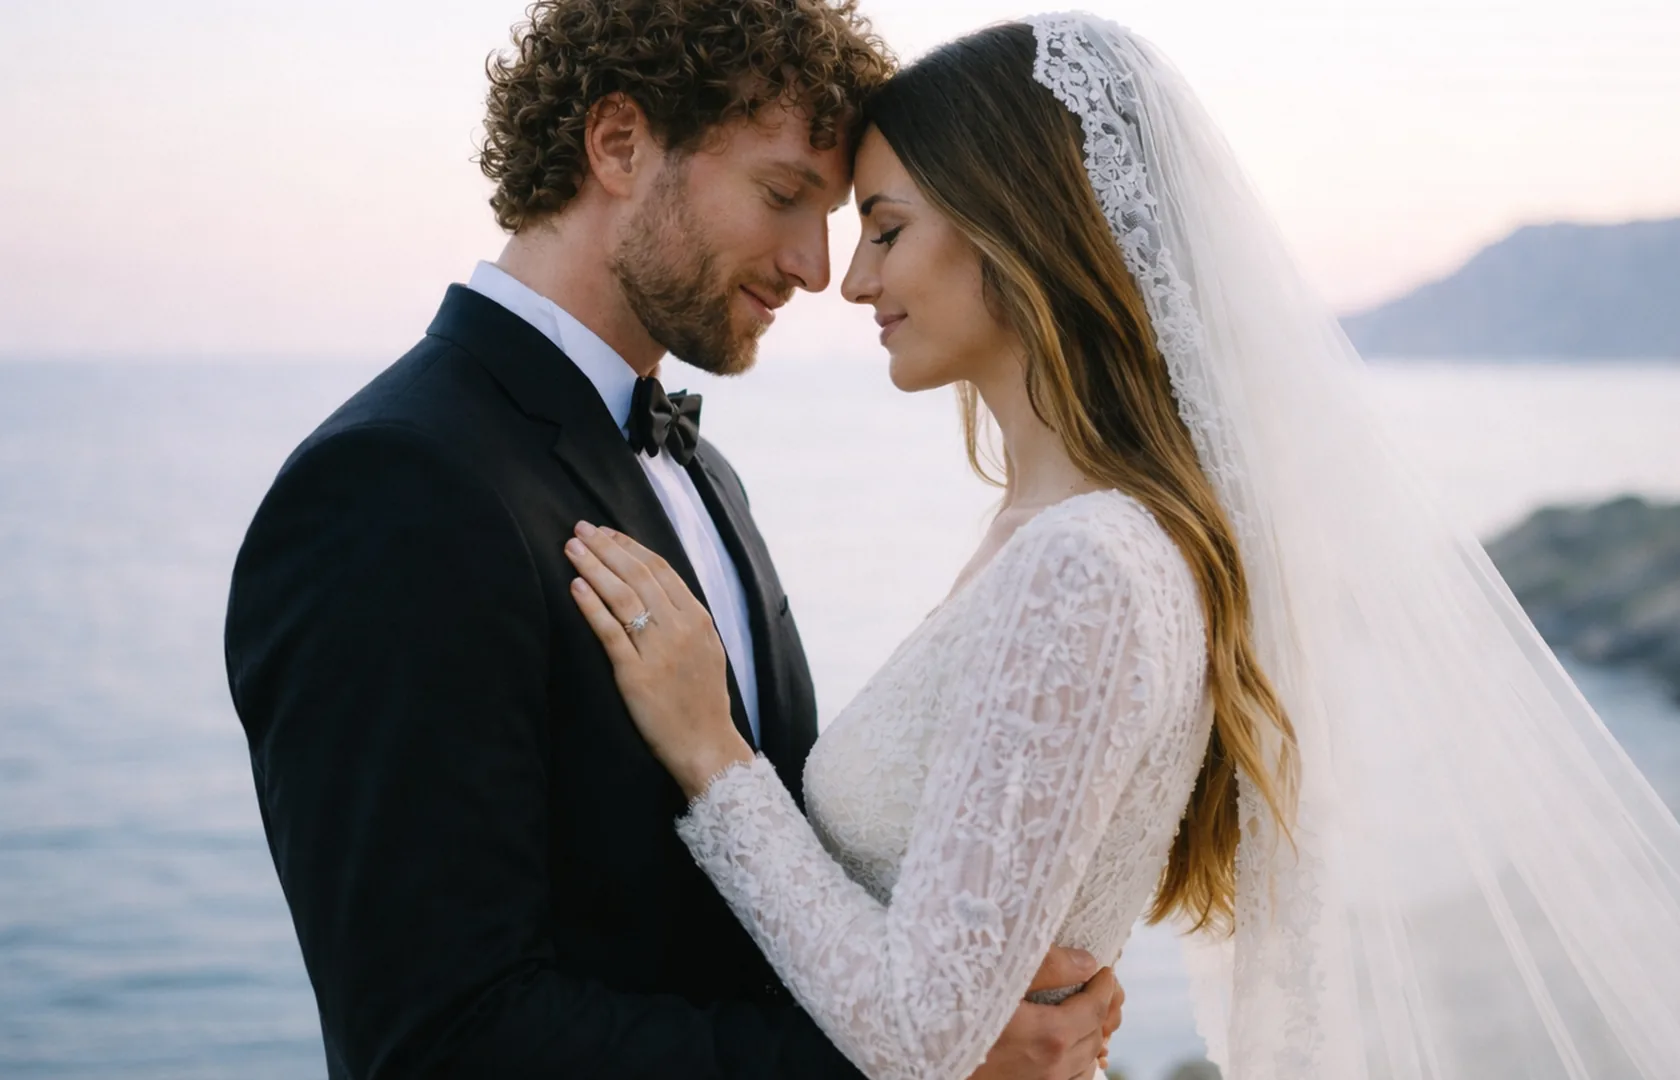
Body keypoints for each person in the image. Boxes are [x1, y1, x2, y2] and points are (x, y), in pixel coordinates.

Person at [566, 13, 1680, 1080]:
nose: (849, 281)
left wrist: (713, 757)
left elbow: (923, 1037)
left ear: (1020, 230)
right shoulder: (1060, 532)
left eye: (889, 228)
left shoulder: (1089, 564)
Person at [223, 2, 1120, 1077]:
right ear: (618, 143)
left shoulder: (701, 473)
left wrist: (962, 997)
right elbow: (437, 1042)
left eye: (838, 216)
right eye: (784, 196)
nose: (815, 265)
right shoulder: (392, 487)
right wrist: (905, 1067)